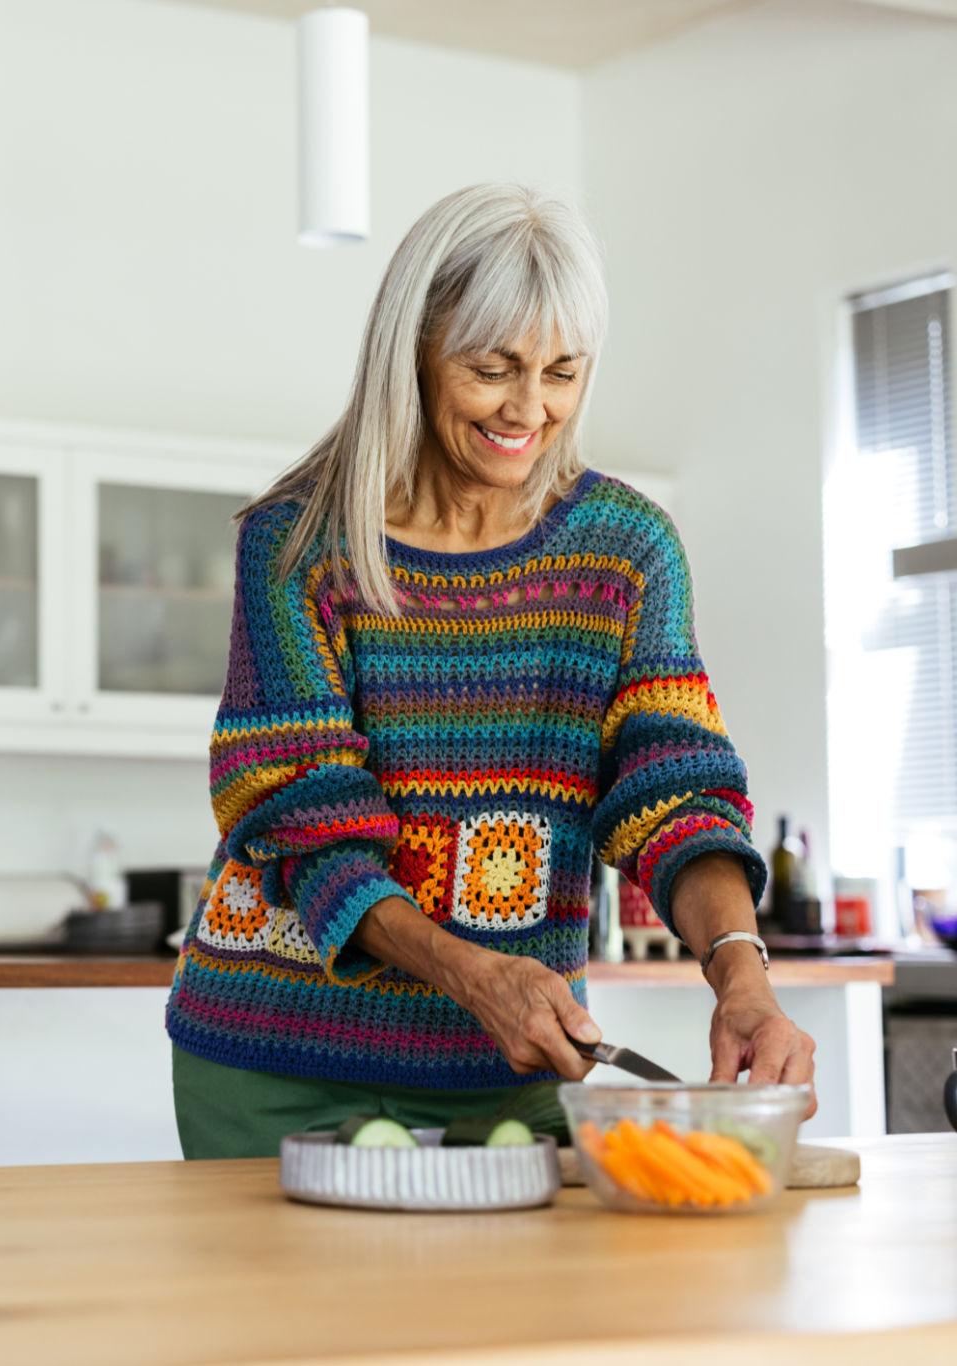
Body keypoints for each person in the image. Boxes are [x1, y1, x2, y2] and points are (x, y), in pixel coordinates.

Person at [165, 182, 817, 1157]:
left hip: (518, 1070)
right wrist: (473, 974)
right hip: (276, 1062)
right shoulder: (299, 545)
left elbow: (674, 792)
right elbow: (303, 819)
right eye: (492, 367)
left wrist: (742, 978)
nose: (528, 408)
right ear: (415, 350)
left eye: (561, 371)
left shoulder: (625, 551)